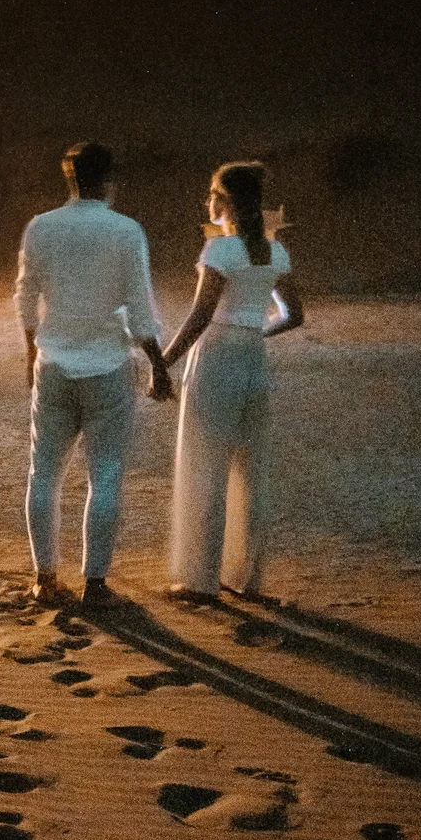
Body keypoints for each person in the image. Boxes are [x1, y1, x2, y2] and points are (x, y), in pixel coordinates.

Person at [17, 141, 172, 609]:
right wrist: (158, 362)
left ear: (70, 179)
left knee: (44, 473)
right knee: (105, 475)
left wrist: (30, 351)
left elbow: (26, 296)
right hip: (107, 363)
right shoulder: (125, 231)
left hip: (55, 360)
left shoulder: (41, 227)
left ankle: (45, 577)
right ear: (108, 179)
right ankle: (96, 584)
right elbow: (141, 307)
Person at [162, 161, 305, 602]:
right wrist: (253, 331)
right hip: (253, 359)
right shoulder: (275, 253)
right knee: (251, 470)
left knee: (206, 464)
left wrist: (162, 361)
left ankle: (200, 579)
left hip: (217, 357)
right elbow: (294, 315)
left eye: (211, 195)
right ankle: (247, 577)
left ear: (223, 201)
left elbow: (201, 315)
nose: (207, 203)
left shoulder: (220, 252)